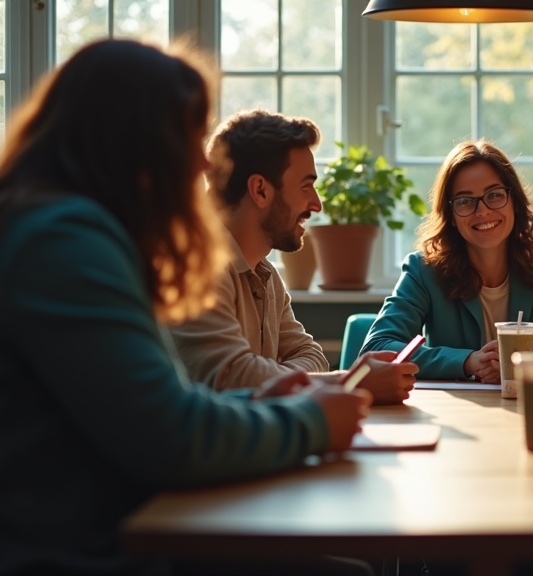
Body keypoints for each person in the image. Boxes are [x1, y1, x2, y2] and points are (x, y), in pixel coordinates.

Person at [0, 40, 371, 575]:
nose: (202, 161)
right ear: (130, 139)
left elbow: (155, 406)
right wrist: (309, 422)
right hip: (80, 553)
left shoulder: (71, 231)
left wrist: (259, 400)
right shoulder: (63, 242)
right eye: (190, 137)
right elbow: (169, 435)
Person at [168, 109, 416, 405]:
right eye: (306, 185)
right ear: (260, 190)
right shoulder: (199, 269)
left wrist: (277, 379)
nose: (317, 204)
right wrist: (350, 382)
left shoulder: (266, 275)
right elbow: (230, 378)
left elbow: (311, 355)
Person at [360, 139, 533, 382]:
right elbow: (377, 348)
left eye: (495, 195)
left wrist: (528, 367)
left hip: (530, 408)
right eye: (465, 201)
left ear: (515, 203)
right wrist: (468, 361)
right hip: (455, 414)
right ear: (451, 216)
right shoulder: (423, 271)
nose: (483, 211)